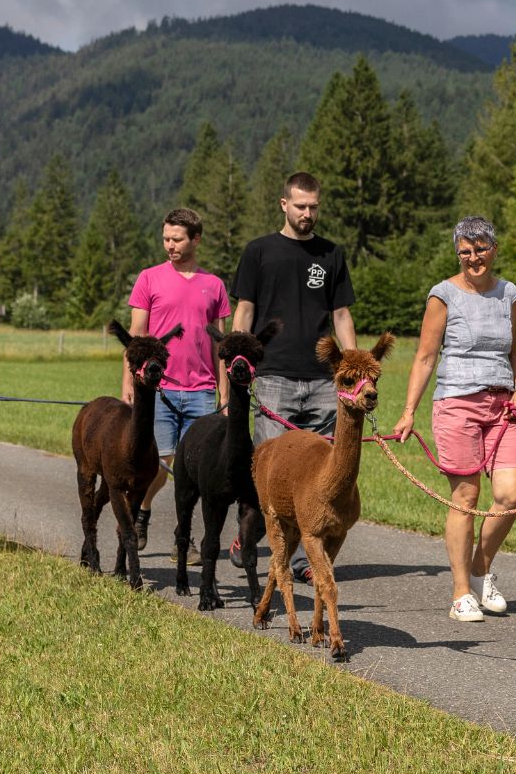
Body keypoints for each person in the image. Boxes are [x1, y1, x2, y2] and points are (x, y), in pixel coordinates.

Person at [390, 216, 516, 623]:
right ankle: (461, 593)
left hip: (502, 407)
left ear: (494, 249)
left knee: (510, 495)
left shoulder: (509, 294)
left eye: (480, 249)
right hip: (457, 404)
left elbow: (512, 351)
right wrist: (409, 411)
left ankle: (481, 569)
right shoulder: (443, 295)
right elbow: (425, 357)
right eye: (465, 251)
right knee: (466, 498)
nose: (473, 258)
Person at [229, 171, 356, 581]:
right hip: (273, 376)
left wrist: (350, 368)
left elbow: (341, 314)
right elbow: (245, 311)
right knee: (271, 469)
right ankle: (251, 533)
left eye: (313, 207)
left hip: (321, 380)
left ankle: (303, 559)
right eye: (300, 206)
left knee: (318, 473)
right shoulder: (259, 251)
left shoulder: (331, 254)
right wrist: (238, 362)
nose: (307, 213)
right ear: (284, 204)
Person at [125, 207, 231, 562]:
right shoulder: (148, 279)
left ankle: (184, 537)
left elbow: (220, 346)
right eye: (166, 239)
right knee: (159, 464)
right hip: (159, 390)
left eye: (177, 239)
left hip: (201, 391)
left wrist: (225, 393)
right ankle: (142, 510)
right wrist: (130, 384)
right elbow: (136, 338)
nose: (169, 245)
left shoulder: (214, 286)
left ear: (195, 239)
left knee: (197, 471)